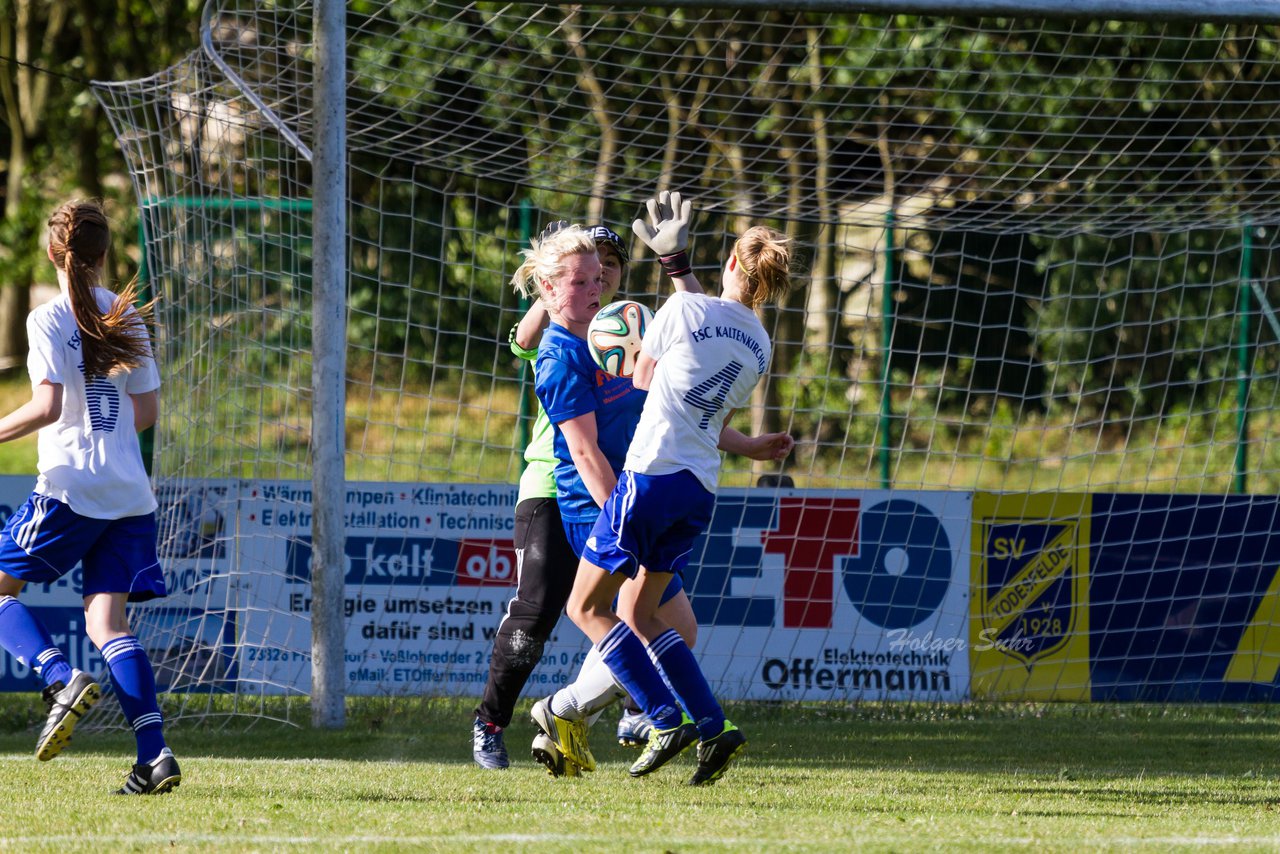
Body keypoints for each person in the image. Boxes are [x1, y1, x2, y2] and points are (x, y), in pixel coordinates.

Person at [555, 215, 794, 786]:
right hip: (698, 488)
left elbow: (641, 378)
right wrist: (677, 270)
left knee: (585, 608)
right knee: (640, 612)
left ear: (731, 263)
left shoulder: (684, 311)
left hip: (651, 474)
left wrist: (632, 341)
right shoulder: (759, 344)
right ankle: (714, 727)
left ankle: (663, 717)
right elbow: (710, 415)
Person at [0, 199, 180, 795]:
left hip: (72, 488)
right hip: (129, 492)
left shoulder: (48, 319)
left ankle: (58, 678)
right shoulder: (126, 313)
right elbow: (148, 411)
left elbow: (48, 406)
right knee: (108, 621)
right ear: (104, 255)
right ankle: (154, 759)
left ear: (54, 253)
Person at [472, 222, 666, 770]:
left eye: (608, 264)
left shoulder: (628, 329)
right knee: (539, 613)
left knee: (639, 604)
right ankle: (490, 723)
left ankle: (618, 707)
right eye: (586, 269)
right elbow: (524, 341)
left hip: (617, 482)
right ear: (558, 283)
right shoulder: (557, 334)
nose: (599, 275)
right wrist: (551, 280)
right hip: (554, 488)